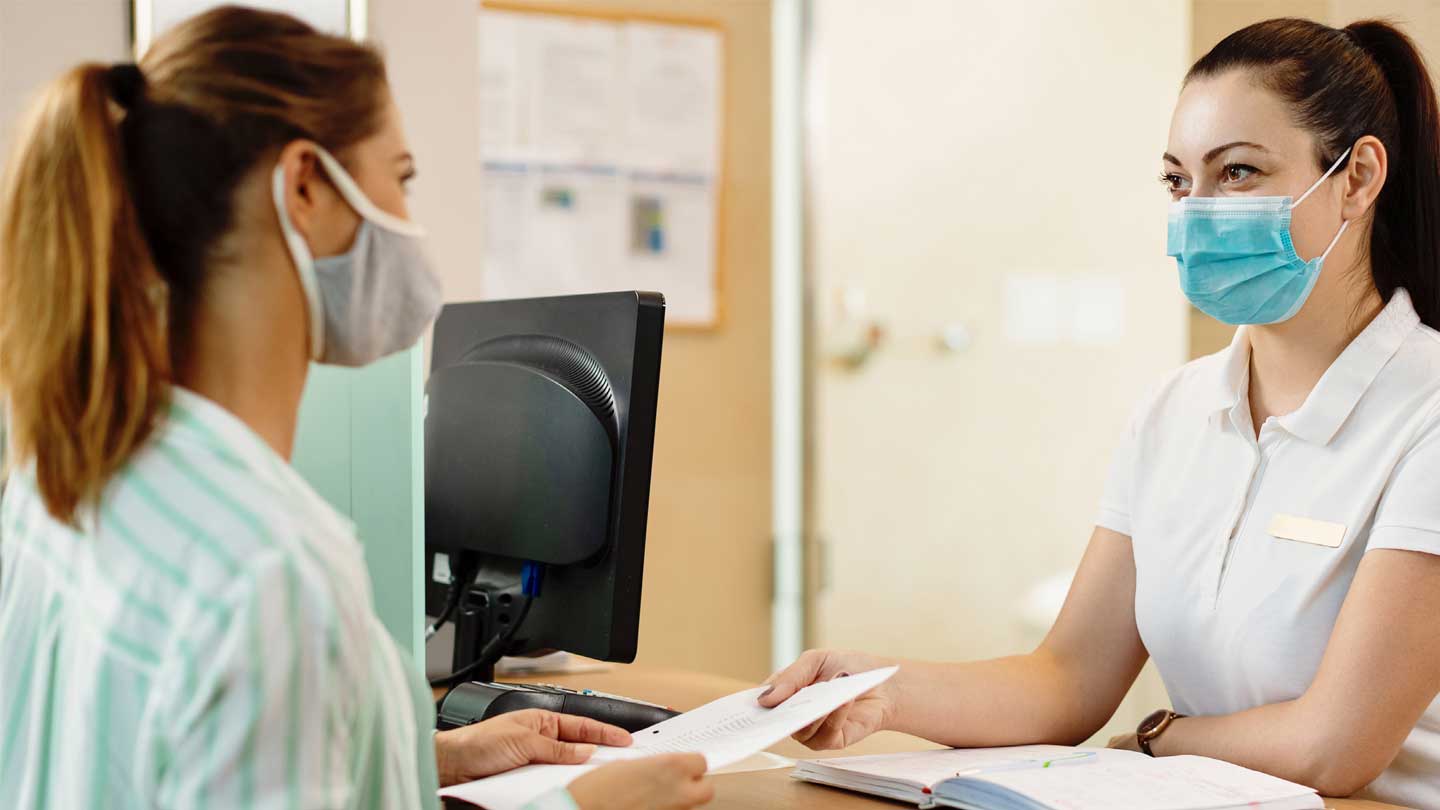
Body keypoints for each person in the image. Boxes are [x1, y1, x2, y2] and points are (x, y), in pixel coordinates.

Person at [0, 7, 712, 810]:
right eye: (400, 178)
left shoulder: (62, 478)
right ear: (304, 185)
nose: (408, 223)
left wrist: (420, 759)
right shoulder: (268, 572)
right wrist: (584, 807)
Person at [762, 17, 1440, 810]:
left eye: (1239, 173)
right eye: (1179, 182)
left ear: (1357, 178)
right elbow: (1068, 680)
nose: (1199, 212)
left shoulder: (1425, 413)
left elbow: (1332, 747)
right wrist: (878, 690)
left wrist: (1159, 737)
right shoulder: (1173, 411)